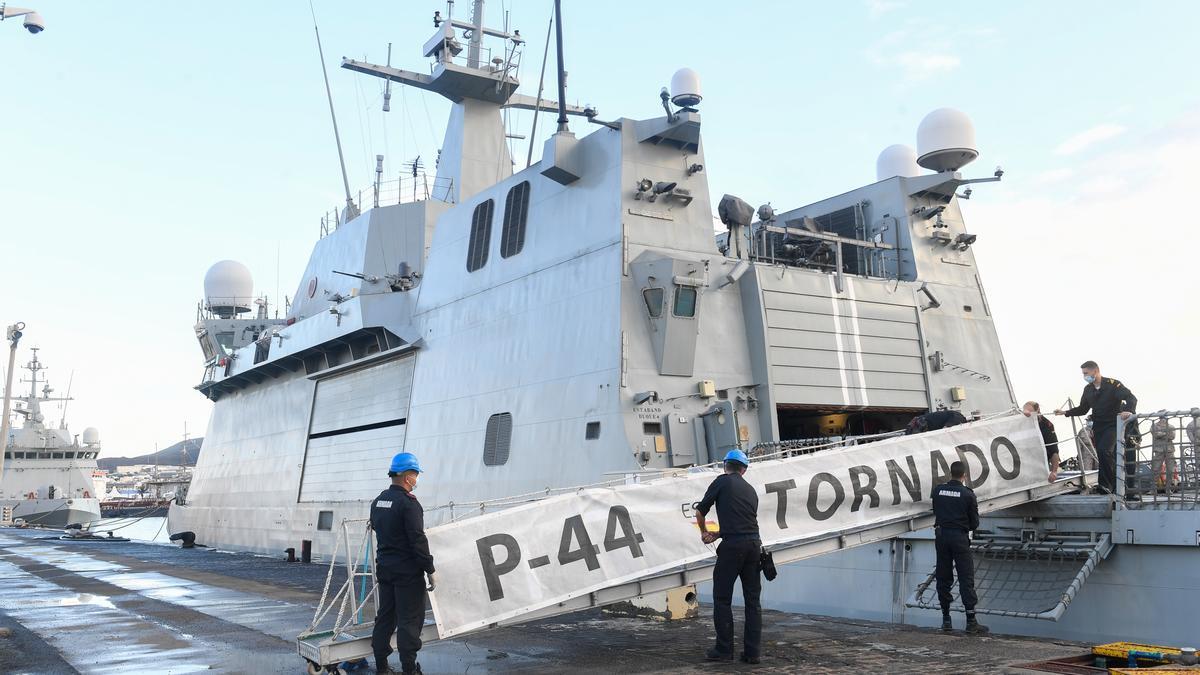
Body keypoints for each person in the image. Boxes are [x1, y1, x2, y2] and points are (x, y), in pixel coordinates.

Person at [371, 452, 435, 675]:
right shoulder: (409, 504)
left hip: (385, 569)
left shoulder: (378, 501)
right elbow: (418, 539)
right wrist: (429, 568)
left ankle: (381, 667)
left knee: (386, 616)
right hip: (407, 572)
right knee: (409, 620)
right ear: (408, 477)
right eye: (415, 475)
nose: (416, 480)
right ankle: (409, 669)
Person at [695, 449, 761, 664]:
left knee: (722, 599)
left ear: (726, 466)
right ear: (744, 469)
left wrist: (705, 533)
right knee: (753, 602)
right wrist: (719, 533)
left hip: (733, 548)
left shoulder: (721, 482)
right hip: (754, 546)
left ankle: (724, 650)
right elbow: (743, 522)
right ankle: (752, 654)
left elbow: (700, 511)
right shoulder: (751, 489)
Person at [1055, 361, 1137, 494]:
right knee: (1102, 454)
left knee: (1105, 451)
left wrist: (1128, 411)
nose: (1084, 376)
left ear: (1096, 371)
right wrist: (1066, 412)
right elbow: (1083, 409)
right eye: (1083, 374)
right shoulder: (1088, 390)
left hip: (1113, 425)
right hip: (1099, 426)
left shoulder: (1113, 385)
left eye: (1086, 373)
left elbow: (1131, 398)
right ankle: (1110, 487)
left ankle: (1109, 485)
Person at [931, 460, 988, 634]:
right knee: (965, 577)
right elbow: (975, 523)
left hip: (941, 536)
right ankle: (971, 621)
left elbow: (936, 511)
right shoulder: (968, 494)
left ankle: (946, 620)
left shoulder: (938, 491)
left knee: (943, 576)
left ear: (950, 473)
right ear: (964, 475)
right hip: (959, 538)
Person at [1023, 401, 1060, 481]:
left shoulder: (1046, 425)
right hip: (1025, 463)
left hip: (1041, 462)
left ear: (1038, 411)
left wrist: (1054, 472)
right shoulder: (1021, 422)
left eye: (1031, 412)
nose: (1028, 415)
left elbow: (1054, 450)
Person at [1150, 416, 1176, 492]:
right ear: (1160, 418)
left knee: (1170, 469)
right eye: (1163, 418)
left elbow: (1172, 436)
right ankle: (1153, 488)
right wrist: (1166, 433)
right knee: (1156, 468)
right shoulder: (1154, 426)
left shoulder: (1171, 426)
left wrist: (1161, 434)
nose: (1164, 420)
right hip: (1159, 449)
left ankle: (1168, 488)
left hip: (1169, 450)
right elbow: (1155, 434)